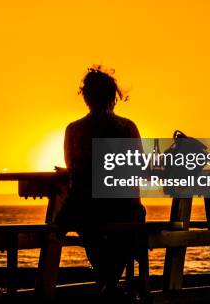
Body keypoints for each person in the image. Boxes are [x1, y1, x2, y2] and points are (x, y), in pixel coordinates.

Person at [56, 65, 146, 296]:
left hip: (83, 208)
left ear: (86, 97)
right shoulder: (127, 127)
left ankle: (108, 282)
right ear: (113, 97)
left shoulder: (73, 130)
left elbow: (72, 168)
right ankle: (111, 283)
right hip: (121, 207)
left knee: (83, 220)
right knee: (134, 217)